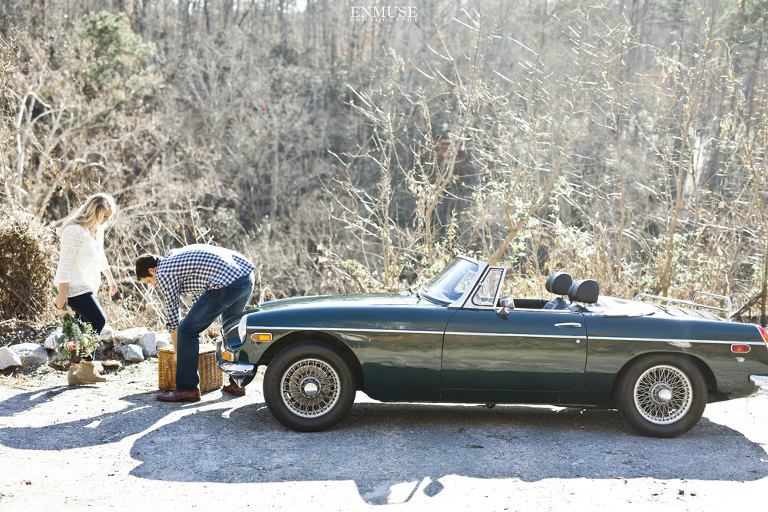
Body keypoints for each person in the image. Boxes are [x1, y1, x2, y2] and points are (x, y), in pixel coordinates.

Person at [135, 244, 255, 402]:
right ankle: (238, 383)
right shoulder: (173, 257)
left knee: (186, 331)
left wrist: (178, 351)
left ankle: (187, 389)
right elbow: (199, 295)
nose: (154, 285)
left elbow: (172, 315)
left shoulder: (163, 273)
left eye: (149, 281)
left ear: (152, 270)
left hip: (229, 282)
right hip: (245, 277)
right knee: (231, 329)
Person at [54, 193, 118, 385]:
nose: (107, 220)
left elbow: (100, 257)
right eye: (105, 216)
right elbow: (64, 263)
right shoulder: (74, 231)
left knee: (82, 327)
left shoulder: (97, 230)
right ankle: (87, 367)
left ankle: (74, 373)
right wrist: (62, 292)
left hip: (88, 285)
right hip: (73, 285)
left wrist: (110, 279)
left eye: (109, 217)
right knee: (98, 320)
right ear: (94, 213)